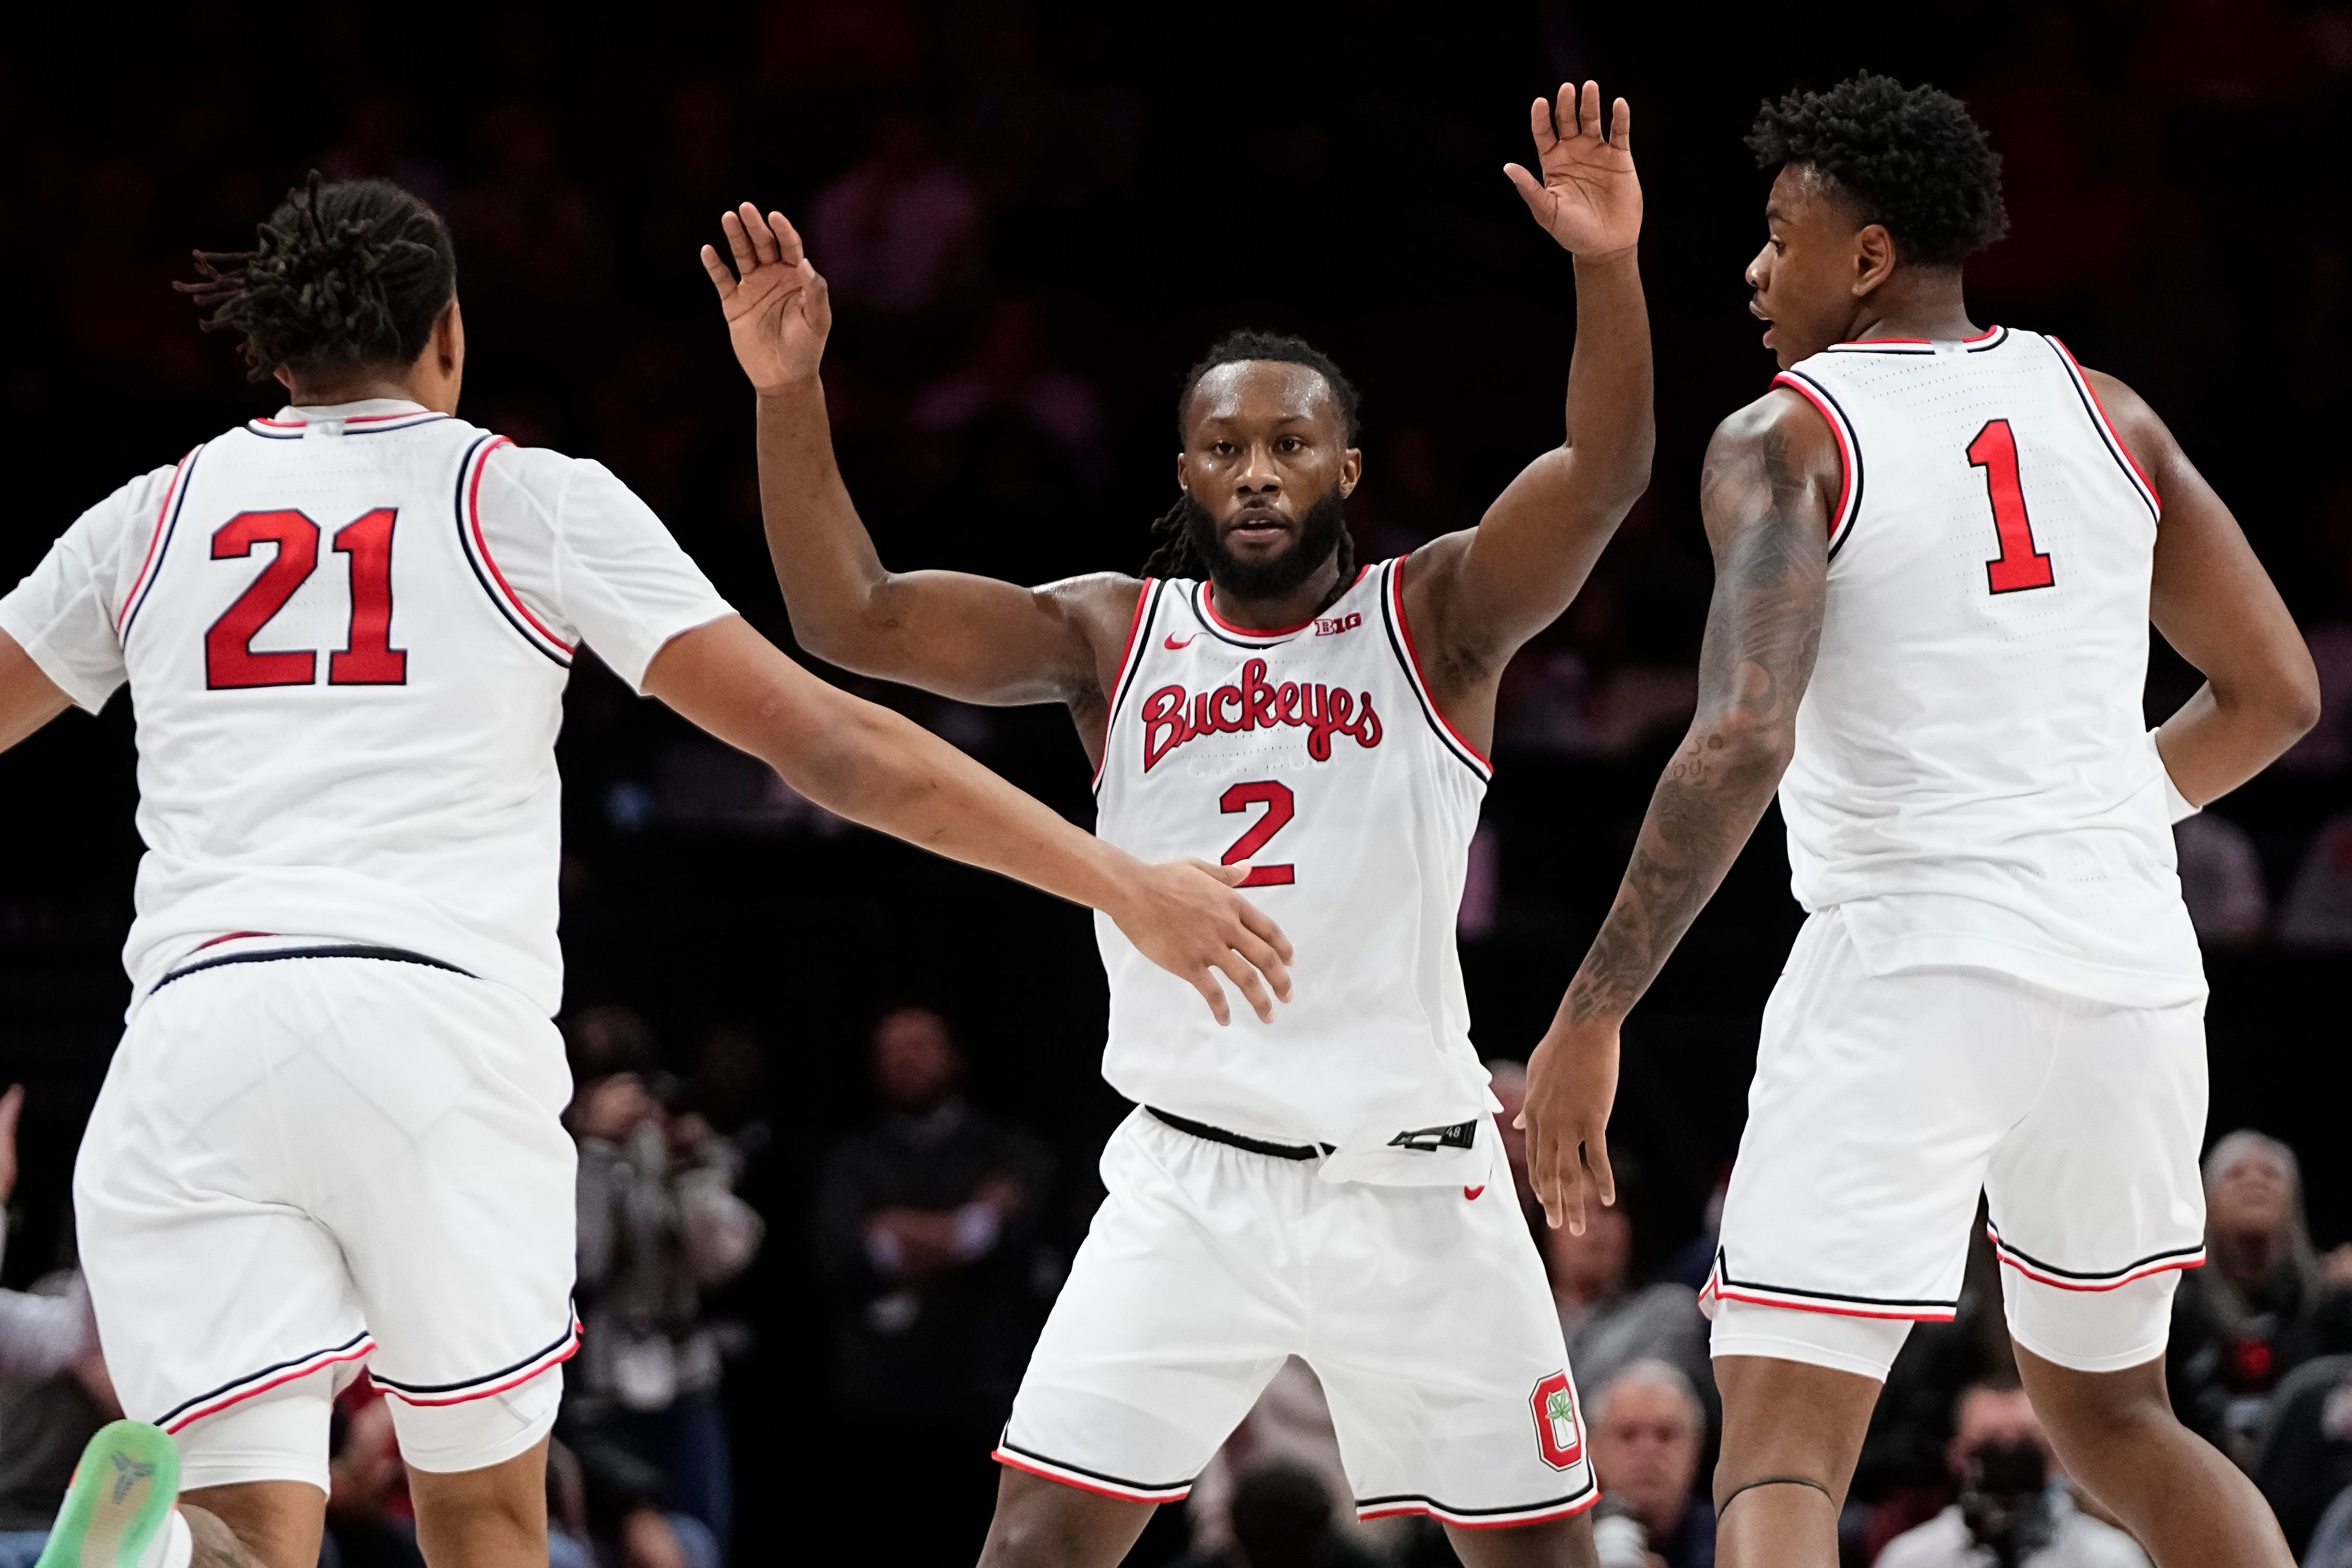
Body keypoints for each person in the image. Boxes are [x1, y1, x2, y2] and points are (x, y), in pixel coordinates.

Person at [0, 174, 1294, 1568]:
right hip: (431, 1038)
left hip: (192, 1040)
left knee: (249, 1523)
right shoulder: (521, 498)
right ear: (448, 338)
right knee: (488, 1519)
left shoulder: (153, 516)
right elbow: (832, 746)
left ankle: (177, 1560)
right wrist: (1119, 879)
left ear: (273, 358)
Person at [700, 77, 1653, 1565]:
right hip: (1190, 1176)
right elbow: (852, 619)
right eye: (1226, 448)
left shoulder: (1437, 618)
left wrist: (1604, 265)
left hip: (1413, 1180)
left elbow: (1602, 480)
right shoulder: (1106, 636)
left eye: (1290, 445)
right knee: (1032, 1546)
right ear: (1184, 474)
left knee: (1535, 1556)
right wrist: (787, 397)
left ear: (1347, 469)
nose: (1258, 471)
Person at [1515, 73, 2320, 1567]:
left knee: (1774, 1455)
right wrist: (2090, 815)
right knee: (2122, 1422)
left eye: (1777, 234)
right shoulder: (2110, 411)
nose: (1754, 270)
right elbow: (2273, 695)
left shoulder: (1784, 436)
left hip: (1908, 965)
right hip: (2129, 966)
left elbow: (1742, 731)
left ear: (1868, 256)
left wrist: (1589, 1010)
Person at [812, 1007, 1057, 1548]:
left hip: (985, 1400)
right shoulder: (851, 1159)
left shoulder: (1011, 1149)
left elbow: (1011, 1241)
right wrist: (965, 1227)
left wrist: (903, 1231)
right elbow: (849, 1254)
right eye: (890, 1050)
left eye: (920, 1045)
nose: (905, 1060)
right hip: (878, 1407)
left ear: (954, 1056)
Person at [2167, 1131, 2352, 1461]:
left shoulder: (2331, 1302)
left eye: (2271, 1174)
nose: (2254, 1182)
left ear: (2295, 1205)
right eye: (2235, 1173)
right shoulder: (2173, 1309)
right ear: (2205, 1203)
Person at [1874, 1380, 2148, 1568]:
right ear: (1958, 1457)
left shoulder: (2111, 1559)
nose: (2008, 1455)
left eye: (2027, 1443)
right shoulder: (1912, 1560)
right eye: (1990, 1444)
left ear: (2059, 1457)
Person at [1586, 1362, 1714, 1568]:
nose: (1647, 1451)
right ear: (1592, 1450)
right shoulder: (1559, 1545)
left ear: (1696, 1451)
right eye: (1627, 1435)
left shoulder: (1735, 1542)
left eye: (1666, 1435)